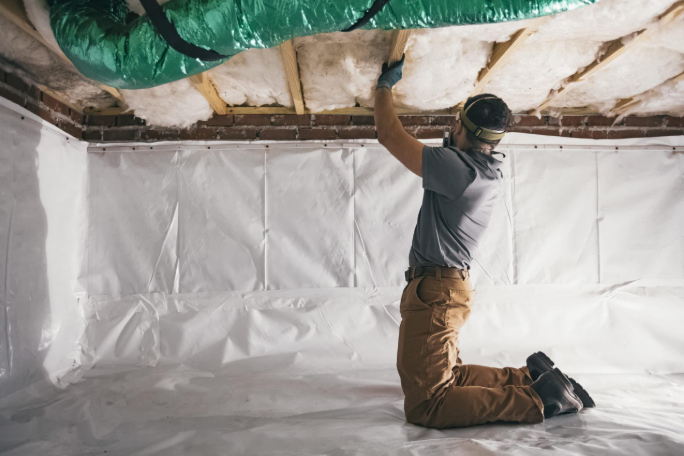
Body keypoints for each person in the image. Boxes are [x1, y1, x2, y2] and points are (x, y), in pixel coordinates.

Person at [373, 55, 595, 428]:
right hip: (443, 288)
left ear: (459, 125)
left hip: (437, 291)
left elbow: (389, 135)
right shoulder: (484, 169)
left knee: (428, 404)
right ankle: (530, 377)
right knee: (450, 377)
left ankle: (541, 398)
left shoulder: (454, 167)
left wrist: (383, 88)